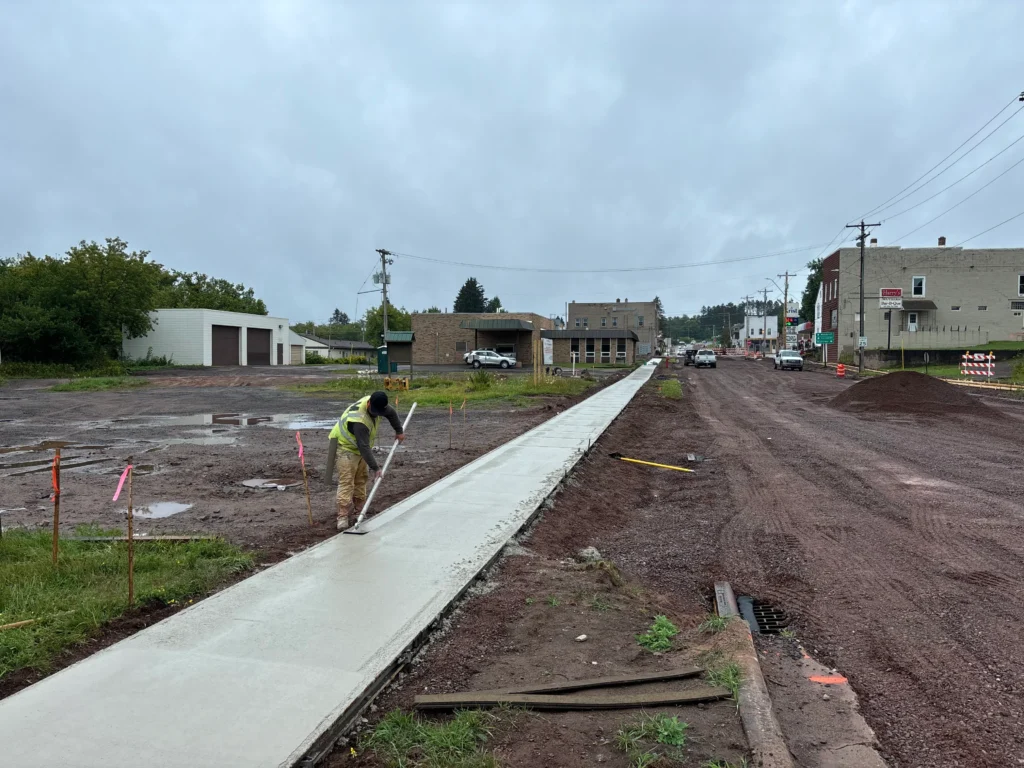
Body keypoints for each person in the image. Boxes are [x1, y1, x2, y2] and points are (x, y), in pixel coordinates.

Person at [329, 390, 405, 530]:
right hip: (343, 446)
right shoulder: (359, 421)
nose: (376, 414)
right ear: (369, 403)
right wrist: (376, 468)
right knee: (347, 481)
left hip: (358, 447)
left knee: (361, 479)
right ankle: (342, 517)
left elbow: (391, 413)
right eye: (374, 411)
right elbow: (363, 447)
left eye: (379, 412)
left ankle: (359, 512)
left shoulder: (379, 404)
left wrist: (399, 431)